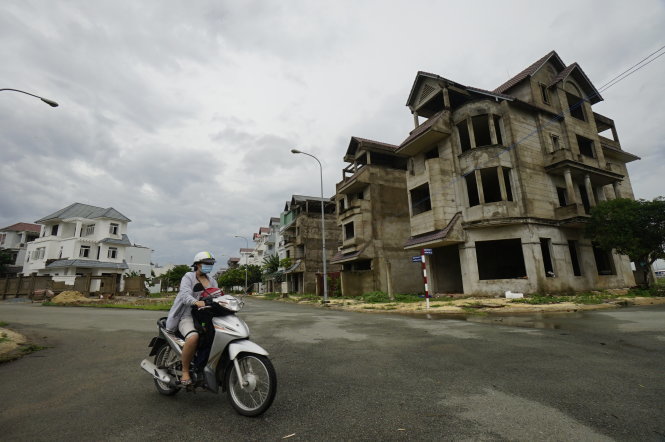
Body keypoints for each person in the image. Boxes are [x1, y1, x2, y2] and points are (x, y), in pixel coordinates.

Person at [165, 251, 218, 386]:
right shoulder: (188, 277)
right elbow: (184, 295)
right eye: (206, 263)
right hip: (187, 315)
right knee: (194, 337)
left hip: (205, 316)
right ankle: (185, 371)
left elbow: (218, 296)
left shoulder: (212, 280)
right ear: (197, 264)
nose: (209, 266)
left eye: (211, 263)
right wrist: (196, 302)